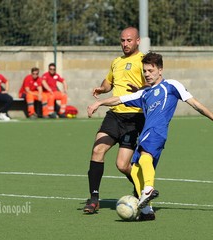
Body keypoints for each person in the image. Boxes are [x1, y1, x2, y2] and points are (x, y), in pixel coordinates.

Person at [87, 51, 213, 221]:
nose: (147, 74)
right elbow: (119, 99)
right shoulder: (143, 93)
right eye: (145, 71)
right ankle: (147, 212)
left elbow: (195, 104)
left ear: (160, 70)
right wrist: (100, 102)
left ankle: (148, 189)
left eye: (150, 71)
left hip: (157, 132)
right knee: (137, 169)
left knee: (145, 158)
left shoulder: (171, 85)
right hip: (146, 134)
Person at [83, 27, 146, 214]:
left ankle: (140, 188)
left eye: (129, 40)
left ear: (137, 41)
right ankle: (94, 199)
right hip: (114, 115)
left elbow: (153, 85)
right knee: (97, 150)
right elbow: (109, 82)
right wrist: (102, 89)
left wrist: (140, 89)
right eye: (122, 41)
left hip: (134, 117)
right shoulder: (116, 62)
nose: (125, 44)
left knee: (122, 165)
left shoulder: (143, 61)